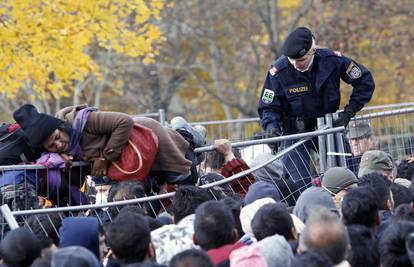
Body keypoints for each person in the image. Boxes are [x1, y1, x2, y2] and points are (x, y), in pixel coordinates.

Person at [257, 26, 375, 188]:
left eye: (301, 60)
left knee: (347, 176)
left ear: (312, 51)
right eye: (292, 61)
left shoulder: (331, 60)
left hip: (329, 127)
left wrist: (349, 112)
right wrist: (272, 127)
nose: (296, 65)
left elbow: (364, 81)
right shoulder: (279, 71)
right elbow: (268, 107)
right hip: (295, 133)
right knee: (298, 185)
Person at [12, 104, 199, 190]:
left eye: (57, 137)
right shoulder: (64, 152)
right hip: (132, 161)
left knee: (184, 176)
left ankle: (187, 131)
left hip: (148, 136)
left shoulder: (85, 121)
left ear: (60, 127)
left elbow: (123, 122)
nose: (59, 144)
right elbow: (77, 180)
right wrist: (60, 159)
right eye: (53, 146)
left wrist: (105, 157)